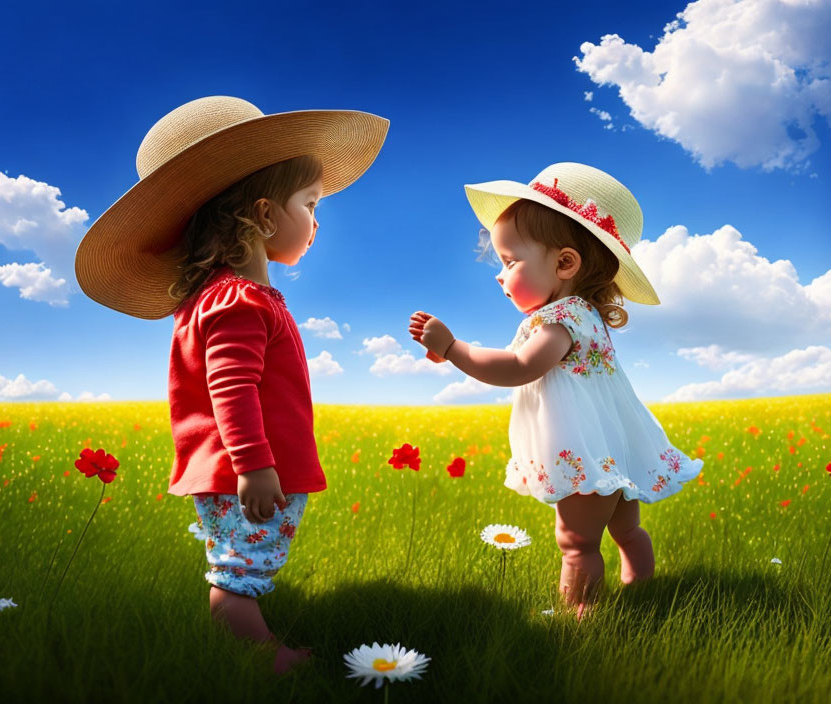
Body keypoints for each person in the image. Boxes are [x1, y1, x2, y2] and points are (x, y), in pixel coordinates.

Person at [75, 96, 388, 670]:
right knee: (239, 573)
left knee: (244, 561)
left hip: (243, 466)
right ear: (265, 217)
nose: (317, 221)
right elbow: (231, 388)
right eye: (311, 204)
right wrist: (254, 464)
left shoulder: (217, 299)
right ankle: (257, 655)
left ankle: (246, 636)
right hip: (246, 468)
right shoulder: (240, 302)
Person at [409, 162, 703, 621]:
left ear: (565, 263)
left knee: (576, 541)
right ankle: (642, 587)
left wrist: (454, 348)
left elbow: (518, 368)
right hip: (615, 448)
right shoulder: (585, 314)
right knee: (627, 530)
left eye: (510, 262)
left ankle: (580, 613)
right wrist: (447, 354)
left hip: (586, 453)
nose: (499, 276)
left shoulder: (558, 320)